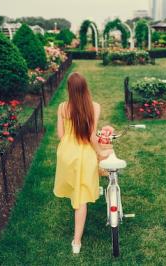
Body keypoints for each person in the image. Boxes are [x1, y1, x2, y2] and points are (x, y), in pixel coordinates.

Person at [53, 72, 112, 254]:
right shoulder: (94, 107)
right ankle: (76, 242)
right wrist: (100, 151)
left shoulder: (63, 107)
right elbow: (91, 136)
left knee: (75, 190)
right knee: (81, 200)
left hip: (65, 154)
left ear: (69, 89)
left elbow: (61, 135)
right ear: (85, 87)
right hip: (83, 154)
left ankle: (78, 193)